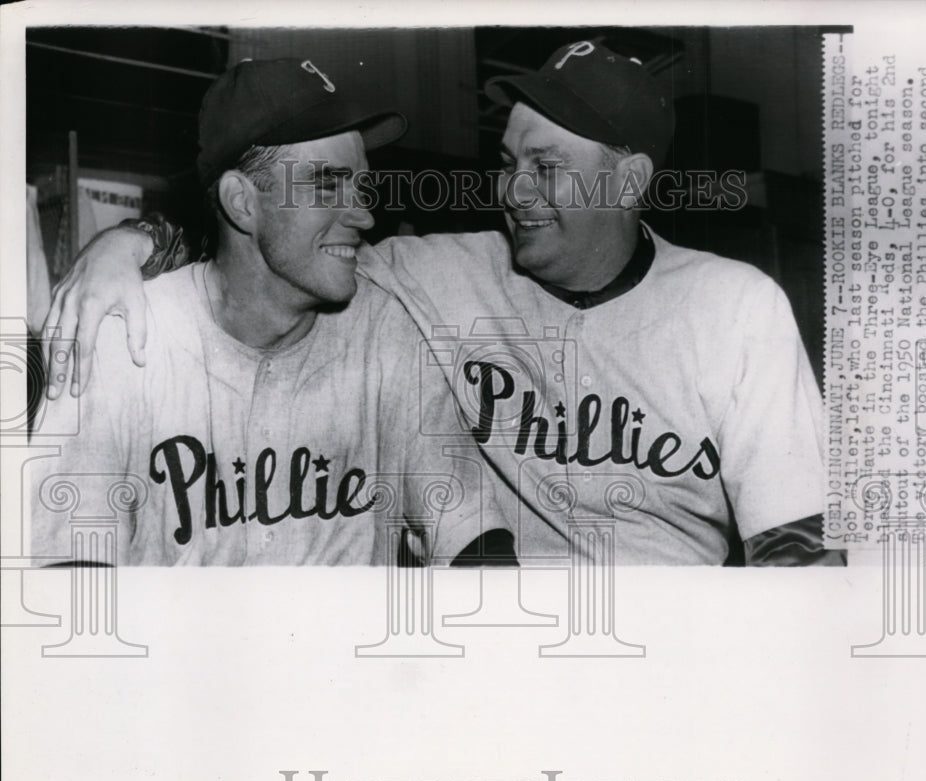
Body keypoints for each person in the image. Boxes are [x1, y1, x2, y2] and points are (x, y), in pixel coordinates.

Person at [42, 41, 840, 566]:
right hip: (490, 652)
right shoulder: (438, 275)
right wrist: (132, 243)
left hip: (672, 659)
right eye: (506, 160)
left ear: (626, 184)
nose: (512, 191)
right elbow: (277, 248)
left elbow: (800, 552)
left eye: (546, 165)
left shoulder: (735, 308)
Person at [31, 57, 511, 566]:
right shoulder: (125, 338)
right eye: (328, 185)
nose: (364, 213)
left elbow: (468, 526)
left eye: (360, 186)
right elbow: (69, 569)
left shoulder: (385, 332)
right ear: (242, 202)